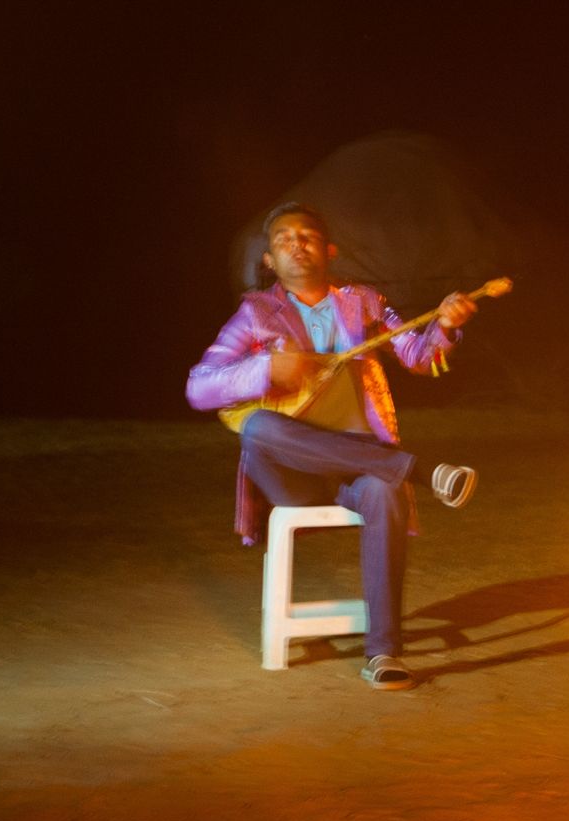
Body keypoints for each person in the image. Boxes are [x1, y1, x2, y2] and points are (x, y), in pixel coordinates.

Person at [186, 202, 479, 691]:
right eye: (283, 240)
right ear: (269, 260)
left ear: (330, 250)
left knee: (383, 489)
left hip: (354, 466)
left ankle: (383, 653)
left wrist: (445, 326)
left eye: (307, 236)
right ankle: (421, 471)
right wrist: (265, 369)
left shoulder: (363, 303)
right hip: (291, 475)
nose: (296, 245)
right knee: (257, 428)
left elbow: (421, 357)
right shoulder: (256, 313)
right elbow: (198, 387)